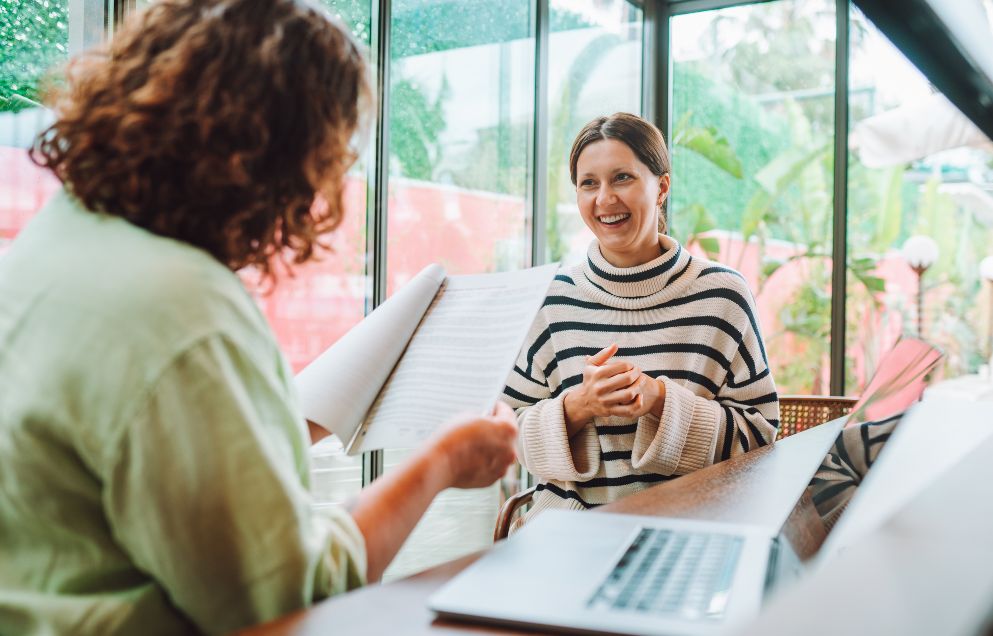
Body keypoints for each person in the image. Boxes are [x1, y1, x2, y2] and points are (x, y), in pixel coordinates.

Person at [0, 1, 517, 634]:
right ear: (278, 155)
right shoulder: (183, 312)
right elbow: (286, 597)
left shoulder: (53, 241)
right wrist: (442, 460)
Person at [503, 113, 779, 529]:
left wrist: (660, 402)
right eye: (588, 183)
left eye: (622, 178)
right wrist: (579, 406)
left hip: (690, 531)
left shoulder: (723, 295)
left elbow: (760, 437)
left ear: (662, 186)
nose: (605, 199)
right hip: (565, 536)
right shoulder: (552, 300)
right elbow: (507, 429)